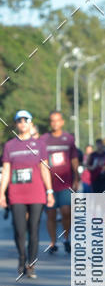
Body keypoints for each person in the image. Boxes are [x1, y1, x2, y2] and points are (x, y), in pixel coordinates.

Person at [0, 110, 55, 277]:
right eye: (19, 121)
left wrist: (49, 191)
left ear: (30, 123)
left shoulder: (39, 145)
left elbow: (45, 169)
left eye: (26, 120)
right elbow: (7, 171)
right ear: (16, 124)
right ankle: (22, 256)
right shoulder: (10, 146)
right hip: (17, 194)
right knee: (19, 229)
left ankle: (31, 264)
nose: (22, 123)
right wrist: (2, 192)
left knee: (34, 228)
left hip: (36, 193)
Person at [40, 110, 79, 254]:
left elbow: (74, 159)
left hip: (65, 183)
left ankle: (66, 239)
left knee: (66, 212)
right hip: (48, 183)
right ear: (50, 123)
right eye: (52, 120)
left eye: (57, 120)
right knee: (50, 213)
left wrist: (76, 177)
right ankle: (52, 242)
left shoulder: (68, 139)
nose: (55, 123)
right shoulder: (44, 139)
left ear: (62, 122)